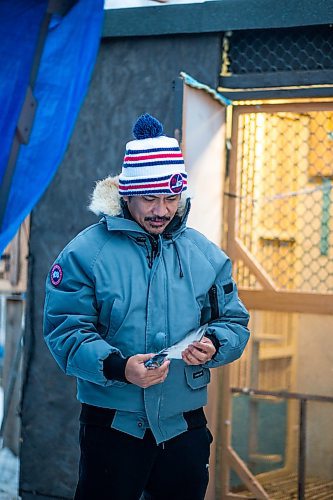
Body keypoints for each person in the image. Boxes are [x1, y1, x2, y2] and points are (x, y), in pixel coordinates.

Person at [43, 113, 250, 500]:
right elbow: (65, 331)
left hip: (184, 429)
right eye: (149, 198)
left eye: (171, 198)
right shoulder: (86, 254)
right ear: (126, 196)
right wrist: (119, 368)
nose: (161, 210)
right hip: (113, 428)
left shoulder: (206, 256)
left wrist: (215, 345)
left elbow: (234, 321)